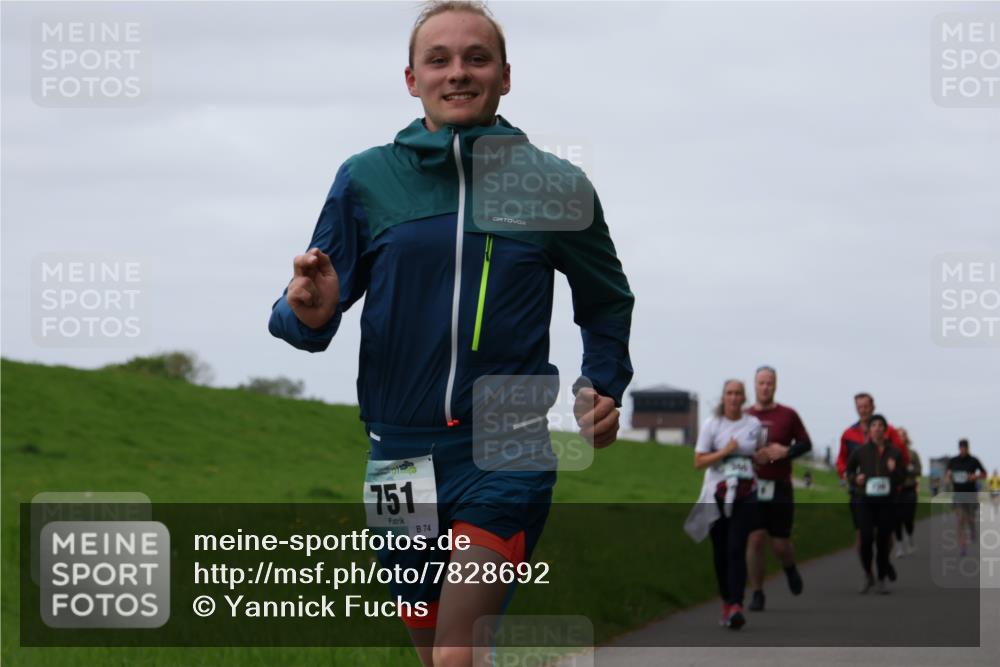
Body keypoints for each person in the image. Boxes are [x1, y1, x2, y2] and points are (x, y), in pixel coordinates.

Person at [268, 3, 634, 665]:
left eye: (476, 58)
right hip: (398, 456)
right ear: (412, 80)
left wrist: (601, 384)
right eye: (438, 59)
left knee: (456, 653)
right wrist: (310, 314)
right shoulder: (366, 179)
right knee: (433, 649)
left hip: (506, 446)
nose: (458, 72)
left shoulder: (555, 186)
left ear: (505, 76)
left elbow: (606, 301)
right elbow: (308, 306)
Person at [689, 380, 763, 630]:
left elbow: (759, 455)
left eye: (737, 393)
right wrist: (725, 451)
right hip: (716, 494)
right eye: (729, 393)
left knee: (736, 547)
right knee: (720, 551)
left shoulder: (753, 425)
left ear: (744, 398)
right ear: (723, 397)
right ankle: (726, 601)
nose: (733, 397)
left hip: (745, 494)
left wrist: (763, 457)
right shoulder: (712, 424)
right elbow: (698, 462)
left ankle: (737, 605)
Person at [744, 365, 812, 612]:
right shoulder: (744, 416)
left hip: (780, 487)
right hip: (752, 486)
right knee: (755, 539)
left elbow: (805, 443)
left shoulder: (788, 415)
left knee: (780, 544)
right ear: (755, 385)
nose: (765, 387)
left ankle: (789, 568)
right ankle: (757, 592)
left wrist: (786, 451)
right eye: (761, 383)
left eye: (769, 383)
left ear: (775, 385)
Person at [837, 393, 907, 549]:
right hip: (860, 491)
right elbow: (841, 460)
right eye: (859, 407)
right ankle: (867, 564)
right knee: (862, 535)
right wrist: (849, 476)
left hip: (885, 492)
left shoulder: (889, 431)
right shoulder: (848, 434)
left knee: (885, 535)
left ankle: (884, 561)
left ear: (873, 407)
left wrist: (895, 473)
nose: (863, 410)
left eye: (866, 406)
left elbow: (903, 456)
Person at [845, 414, 904, 594]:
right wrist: (856, 478)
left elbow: (902, 478)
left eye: (880, 425)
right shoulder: (860, 451)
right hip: (865, 500)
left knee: (883, 541)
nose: (877, 428)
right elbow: (849, 472)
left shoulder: (895, 453)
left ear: (885, 430)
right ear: (869, 430)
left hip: (887, 502)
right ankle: (867, 574)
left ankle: (881, 578)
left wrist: (894, 471)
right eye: (874, 425)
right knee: (865, 538)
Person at [945, 439, 987, 557]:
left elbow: (984, 474)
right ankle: (963, 547)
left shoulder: (974, 460)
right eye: (961, 448)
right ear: (959, 448)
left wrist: (976, 476)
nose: (963, 450)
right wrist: (948, 477)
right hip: (958, 494)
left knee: (970, 519)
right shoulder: (953, 461)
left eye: (964, 448)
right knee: (960, 521)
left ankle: (972, 529)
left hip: (971, 494)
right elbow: (947, 474)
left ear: (968, 448)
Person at [893, 428, 921, 557]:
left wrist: (908, 469)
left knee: (908, 518)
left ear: (906, 438)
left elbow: (918, 470)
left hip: (909, 489)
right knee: (896, 519)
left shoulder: (913, 454)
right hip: (895, 490)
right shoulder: (891, 453)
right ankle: (899, 546)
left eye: (903, 435)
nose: (900, 438)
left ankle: (910, 537)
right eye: (898, 435)